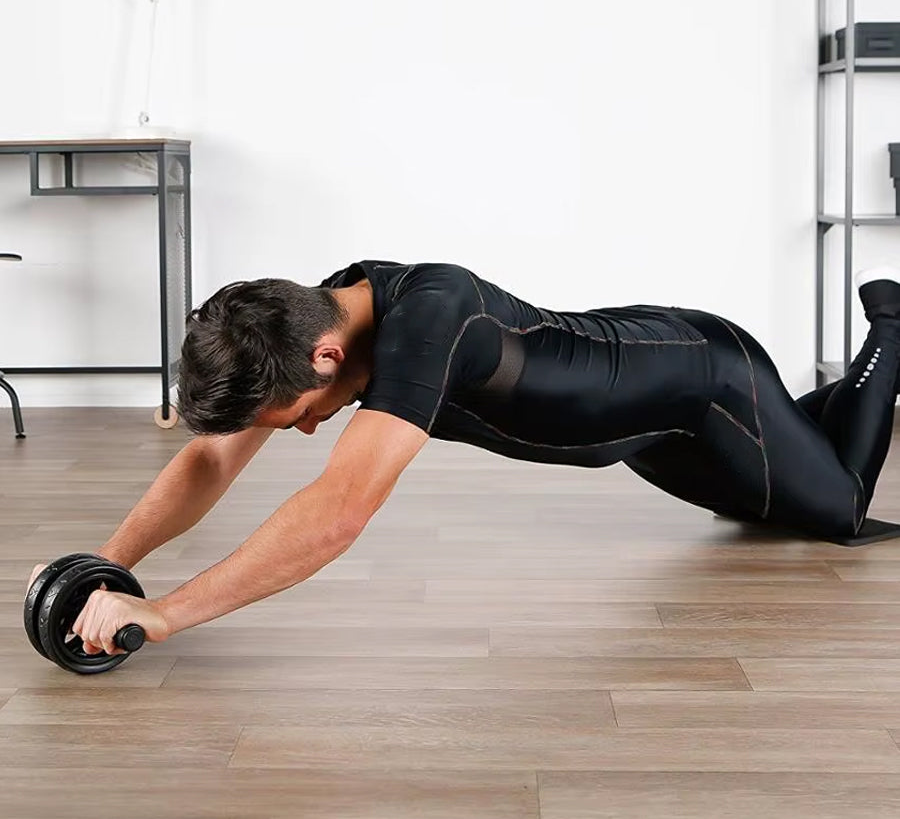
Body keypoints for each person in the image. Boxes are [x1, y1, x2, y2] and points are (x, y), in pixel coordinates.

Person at [27, 260, 900, 656]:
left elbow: (338, 513)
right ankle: (801, 432)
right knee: (766, 503)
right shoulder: (308, 320)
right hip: (645, 431)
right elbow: (214, 460)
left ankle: (891, 323)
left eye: (291, 417)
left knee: (836, 508)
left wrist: (170, 613)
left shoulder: (423, 322)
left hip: (706, 381)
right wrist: (108, 564)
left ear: (326, 359)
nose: (296, 431)